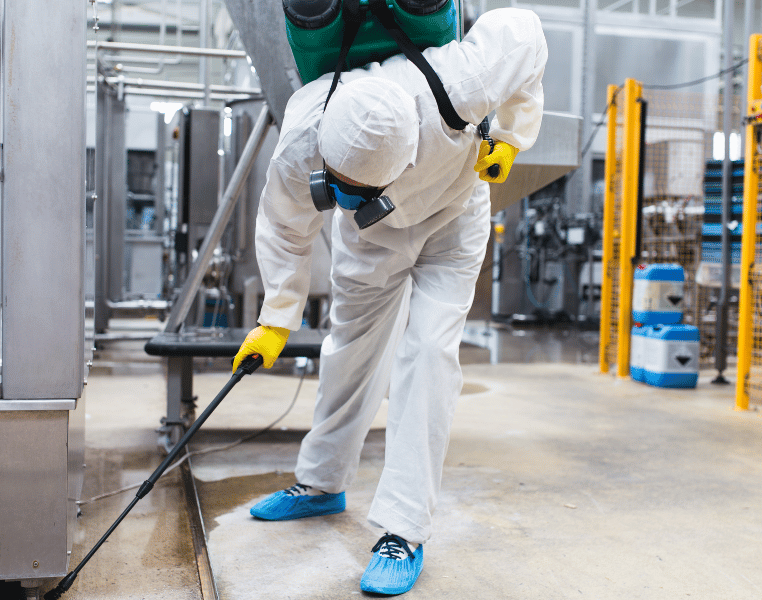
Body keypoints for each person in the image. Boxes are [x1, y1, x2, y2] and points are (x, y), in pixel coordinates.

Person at [231, 7, 547, 595]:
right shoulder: (307, 130)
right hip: (370, 239)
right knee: (349, 347)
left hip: (452, 222)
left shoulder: (459, 85)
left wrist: (509, 134)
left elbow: (525, 33)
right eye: (339, 187)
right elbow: (283, 227)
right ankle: (322, 484)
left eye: (361, 191)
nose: (345, 196)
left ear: (404, 160)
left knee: (428, 355)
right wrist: (276, 319)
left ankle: (404, 528)